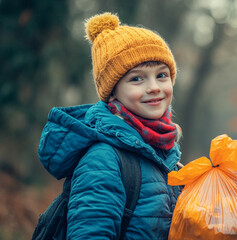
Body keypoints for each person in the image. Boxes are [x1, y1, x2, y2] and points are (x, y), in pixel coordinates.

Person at [37, 12, 182, 239]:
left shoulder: (165, 154)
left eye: (162, 75)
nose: (154, 87)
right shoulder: (104, 159)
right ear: (112, 92)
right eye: (137, 78)